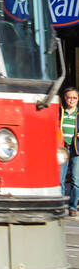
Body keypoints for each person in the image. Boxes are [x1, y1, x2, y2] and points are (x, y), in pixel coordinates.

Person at [60, 88, 79, 216]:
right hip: (63, 150)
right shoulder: (60, 112)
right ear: (65, 98)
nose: (71, 100)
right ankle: (61, 206)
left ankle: (73, 207)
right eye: (69, 97)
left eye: (74, 98)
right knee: (60, 179)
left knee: (76, 180)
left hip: (76, 149)